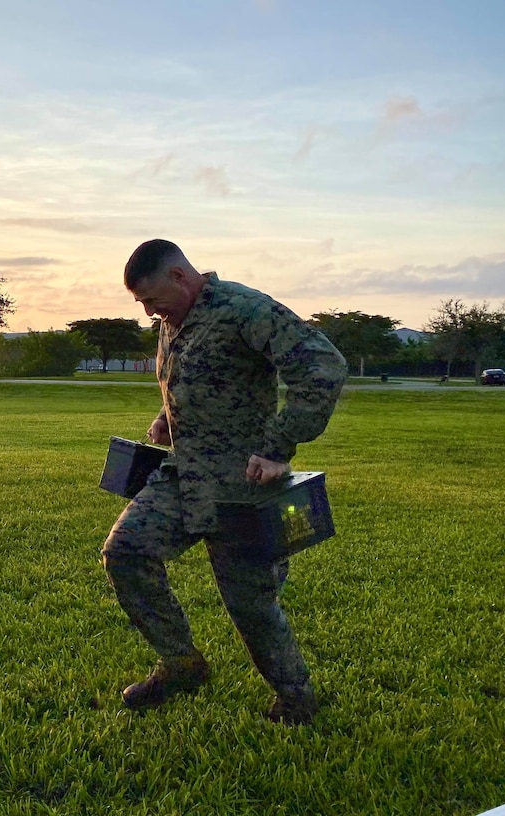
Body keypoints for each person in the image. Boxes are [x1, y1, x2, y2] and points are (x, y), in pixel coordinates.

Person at [102, 239, 347, 725]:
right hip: (184, 473)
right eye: (142, 304)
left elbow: (323, 366)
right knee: (125, 552)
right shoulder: (172, 320)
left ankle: (296, 698)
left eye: (152, 299)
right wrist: (167, 417)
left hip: (242, 485)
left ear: (179, 276)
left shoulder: (245, 309)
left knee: (250, 603)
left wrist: (278, 446)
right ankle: (181, 662)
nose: (149, 311)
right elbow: (196, 378)